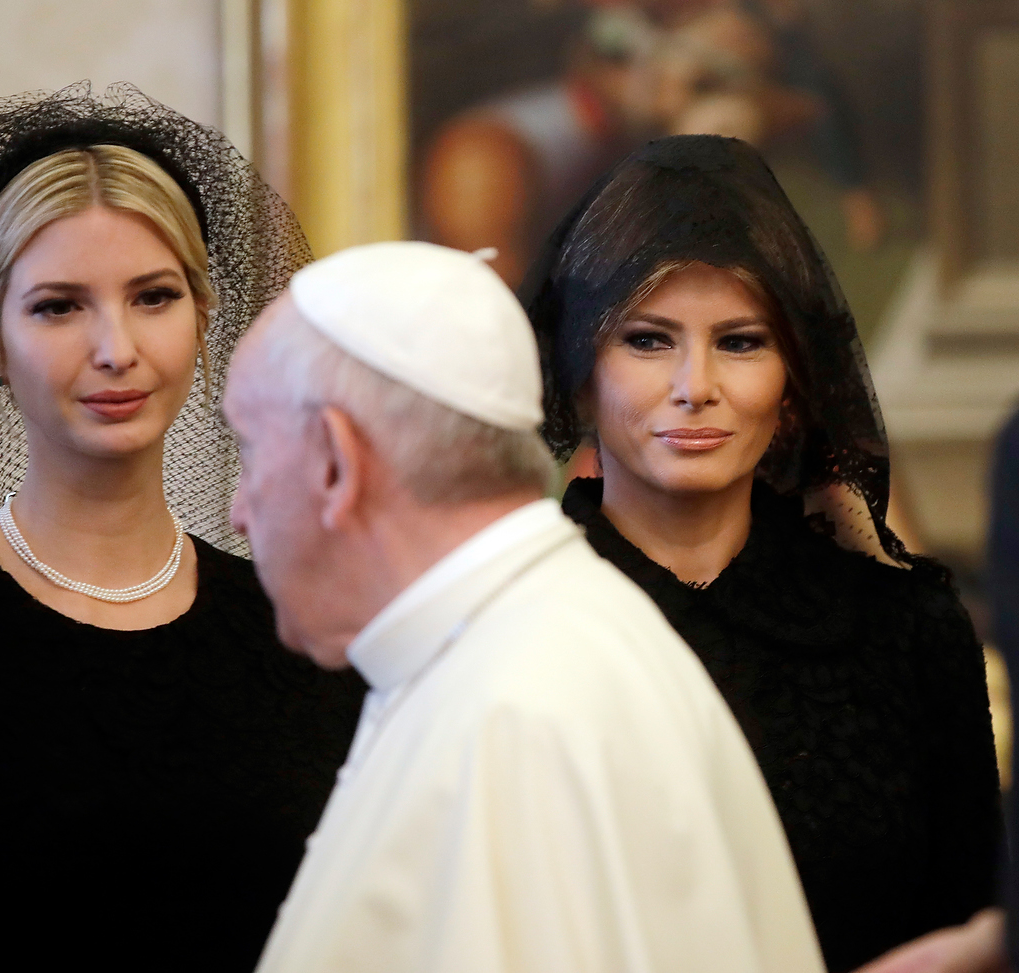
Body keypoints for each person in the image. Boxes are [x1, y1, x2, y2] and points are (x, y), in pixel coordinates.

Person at [0, 85, 364, 970]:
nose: (115, 348)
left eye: (154, 297)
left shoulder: (301, 638)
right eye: (59, 305)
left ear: (204, 320)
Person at [223, 240, 826, 973]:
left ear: (334, 462)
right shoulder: (533, 643)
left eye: (250, 452)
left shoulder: (514, 709)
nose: (237, 513)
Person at [521, 133, 1000, 973]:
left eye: (740, 341)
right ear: (579, 372)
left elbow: (970, 926)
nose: (694, 383)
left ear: (793, 385)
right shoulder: (510, 624)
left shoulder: (908, 634)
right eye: (647, 339)